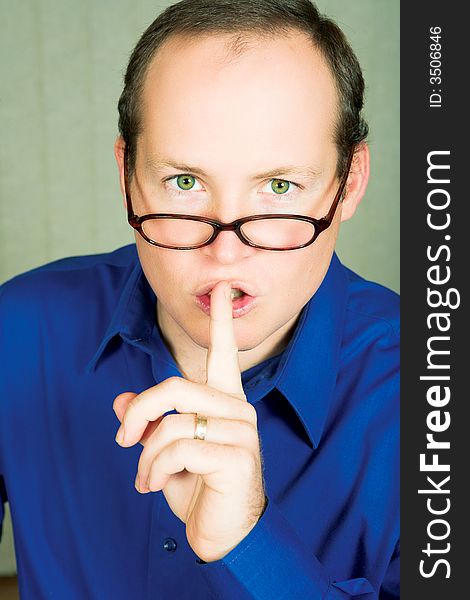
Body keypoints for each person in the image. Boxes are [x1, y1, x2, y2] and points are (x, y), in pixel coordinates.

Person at [0, 0, 399, 598]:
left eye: (280, 186)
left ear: (348, 186)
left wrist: (252, 543)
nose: (227, 252)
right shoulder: (18, 330)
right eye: (185, 183)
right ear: (127, 174)